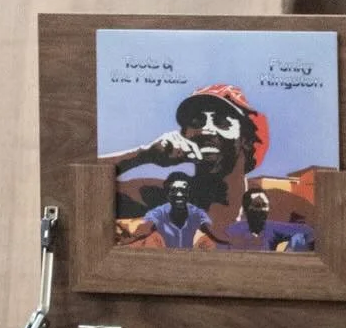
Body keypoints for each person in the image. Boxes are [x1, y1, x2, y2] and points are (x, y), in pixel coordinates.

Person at [107, 84, 267, 233]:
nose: (206, 129)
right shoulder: (163, 195)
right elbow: (86, 187)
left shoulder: (272, 203)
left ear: (246, 140)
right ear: (184, 135)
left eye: (222, 122)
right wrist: (144, 155)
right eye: (197, 121)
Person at [123, 172, 231, 250]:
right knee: (151, 239)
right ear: (168, 194)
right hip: (161, 258)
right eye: (174, 190)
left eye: (183, 190)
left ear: (188, 193)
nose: (179, 194)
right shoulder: (160, 212)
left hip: (190, 260)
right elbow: (143, 225)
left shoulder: (196, 213)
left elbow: (212, 229)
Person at [224, 186, 316, 252]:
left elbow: (308, 231)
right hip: (239, 271)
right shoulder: (232, 229)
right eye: (256, 205)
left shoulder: (269, 227)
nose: (262, 209)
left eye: (265, 205)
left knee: (299, 237)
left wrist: (290, 251)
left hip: (268, 270)